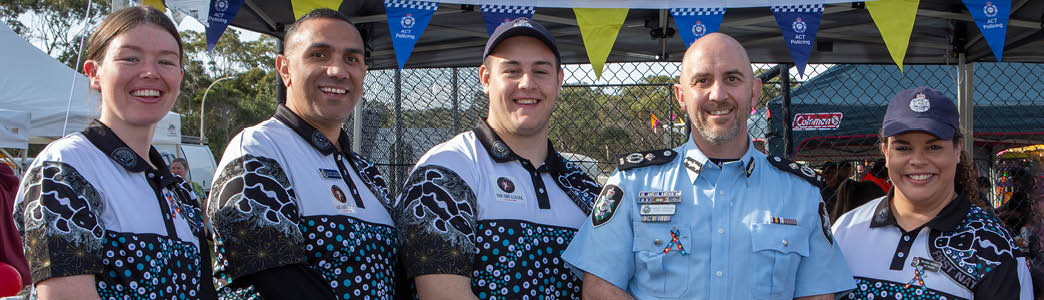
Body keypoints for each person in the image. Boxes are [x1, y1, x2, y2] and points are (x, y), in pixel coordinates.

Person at [561, 33, 853, 300]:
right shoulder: (633, 184)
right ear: (681, 96)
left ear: (754, 92)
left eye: (733, 79)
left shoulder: (799, 192)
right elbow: (600, 289)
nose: (718, 94)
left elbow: (817, 294)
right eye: (702, 81)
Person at [11, 6, 217, 299]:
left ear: (180, 76)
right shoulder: (66, 168)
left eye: (166, 62)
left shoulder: (180, 192)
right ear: (94, 73)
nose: (150, 72)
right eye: (130, 58)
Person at [393, 17, 602, 299]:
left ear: (559, 80)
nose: (527, 83)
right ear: (486, 79)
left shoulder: (584, 188)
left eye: (540, 71)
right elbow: (442, 294)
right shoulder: (445, 171)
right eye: (512, 71)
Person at [206, 8, 398, 300]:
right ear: (284, 69)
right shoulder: (258, 150)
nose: (337, 70)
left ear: (363, 72)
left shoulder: (366, 171)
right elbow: (274, 276)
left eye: (352, 59)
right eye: (319, 55)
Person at [831, 87, 1034, 299]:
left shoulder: (993, 249)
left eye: (934, 147)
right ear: (885, 151)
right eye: (903, 148)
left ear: (957, 150)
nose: (918, 160)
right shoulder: (847, 230)